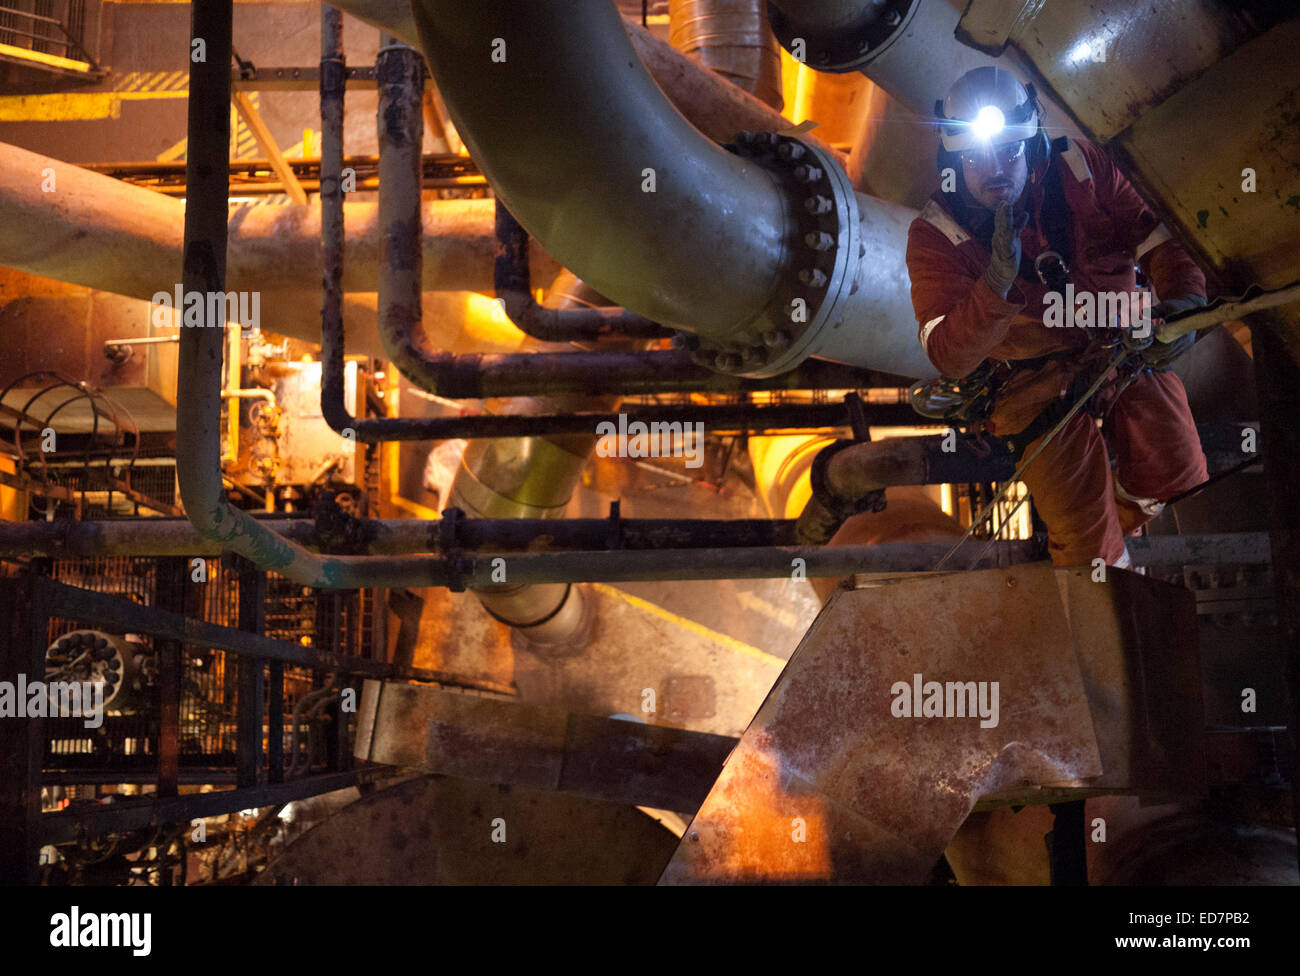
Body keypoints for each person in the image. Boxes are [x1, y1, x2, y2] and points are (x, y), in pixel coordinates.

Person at [905, 66, 1209, 568]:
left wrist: (1186, 304)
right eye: (976, 156)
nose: (994, 167)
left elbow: (1161, 240)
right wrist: (996, 283)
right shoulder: (938, 234)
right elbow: (949, 355)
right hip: (1032, 388)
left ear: (1032, 143)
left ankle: (1123, 515)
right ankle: (1109, 580)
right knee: (1090, 549)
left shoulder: (1083, 169)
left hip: (1124, 348)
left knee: (1176, 472)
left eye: (1008, 149)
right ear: (955, 159)